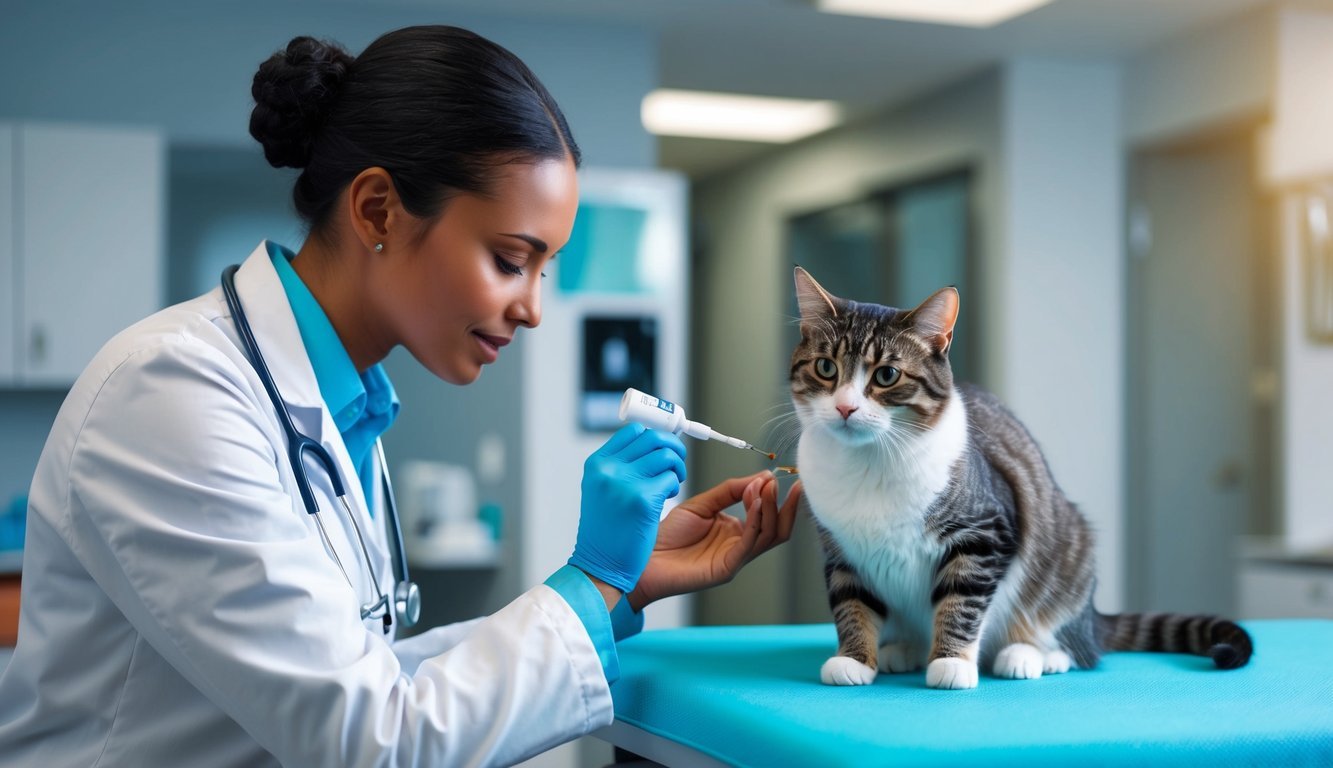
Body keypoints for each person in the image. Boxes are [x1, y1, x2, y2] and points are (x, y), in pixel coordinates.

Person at [0, 25, 802, 767]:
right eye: (508, 258)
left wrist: (618, 587)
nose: (531, 308)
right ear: (378, 208)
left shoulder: (346, 411)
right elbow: (371, 741)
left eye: (544, 268)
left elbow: (366, 680)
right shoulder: (171, 394)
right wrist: (589, 585)